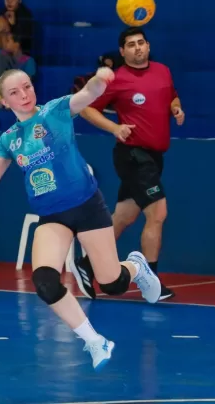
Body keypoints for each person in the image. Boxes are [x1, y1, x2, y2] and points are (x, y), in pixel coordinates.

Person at [0, 67, 162, 371]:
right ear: (5, 101)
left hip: (87, 206)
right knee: (44, 283)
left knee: (112, 284)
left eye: (27, 87)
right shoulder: (9, 139)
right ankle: (95, 341)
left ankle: (136, 266)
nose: (24, 95)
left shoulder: (55, 111)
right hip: (52, 216)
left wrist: (100, 78)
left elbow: (89, 94)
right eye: (15, 92)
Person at [75, 27, 183, 302]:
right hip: (133, 155)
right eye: (130, 45)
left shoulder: (163, 71)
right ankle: (152, 283)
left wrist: (175, 108)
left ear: (148, 45)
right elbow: (86, 108)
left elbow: (171, 95)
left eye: (141, 43)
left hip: (155, 157)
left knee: (124, 217)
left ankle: (86, 265)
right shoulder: (117, 79)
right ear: (122, 51)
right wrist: (114, 127)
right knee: (158, 213)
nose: (137, 48)